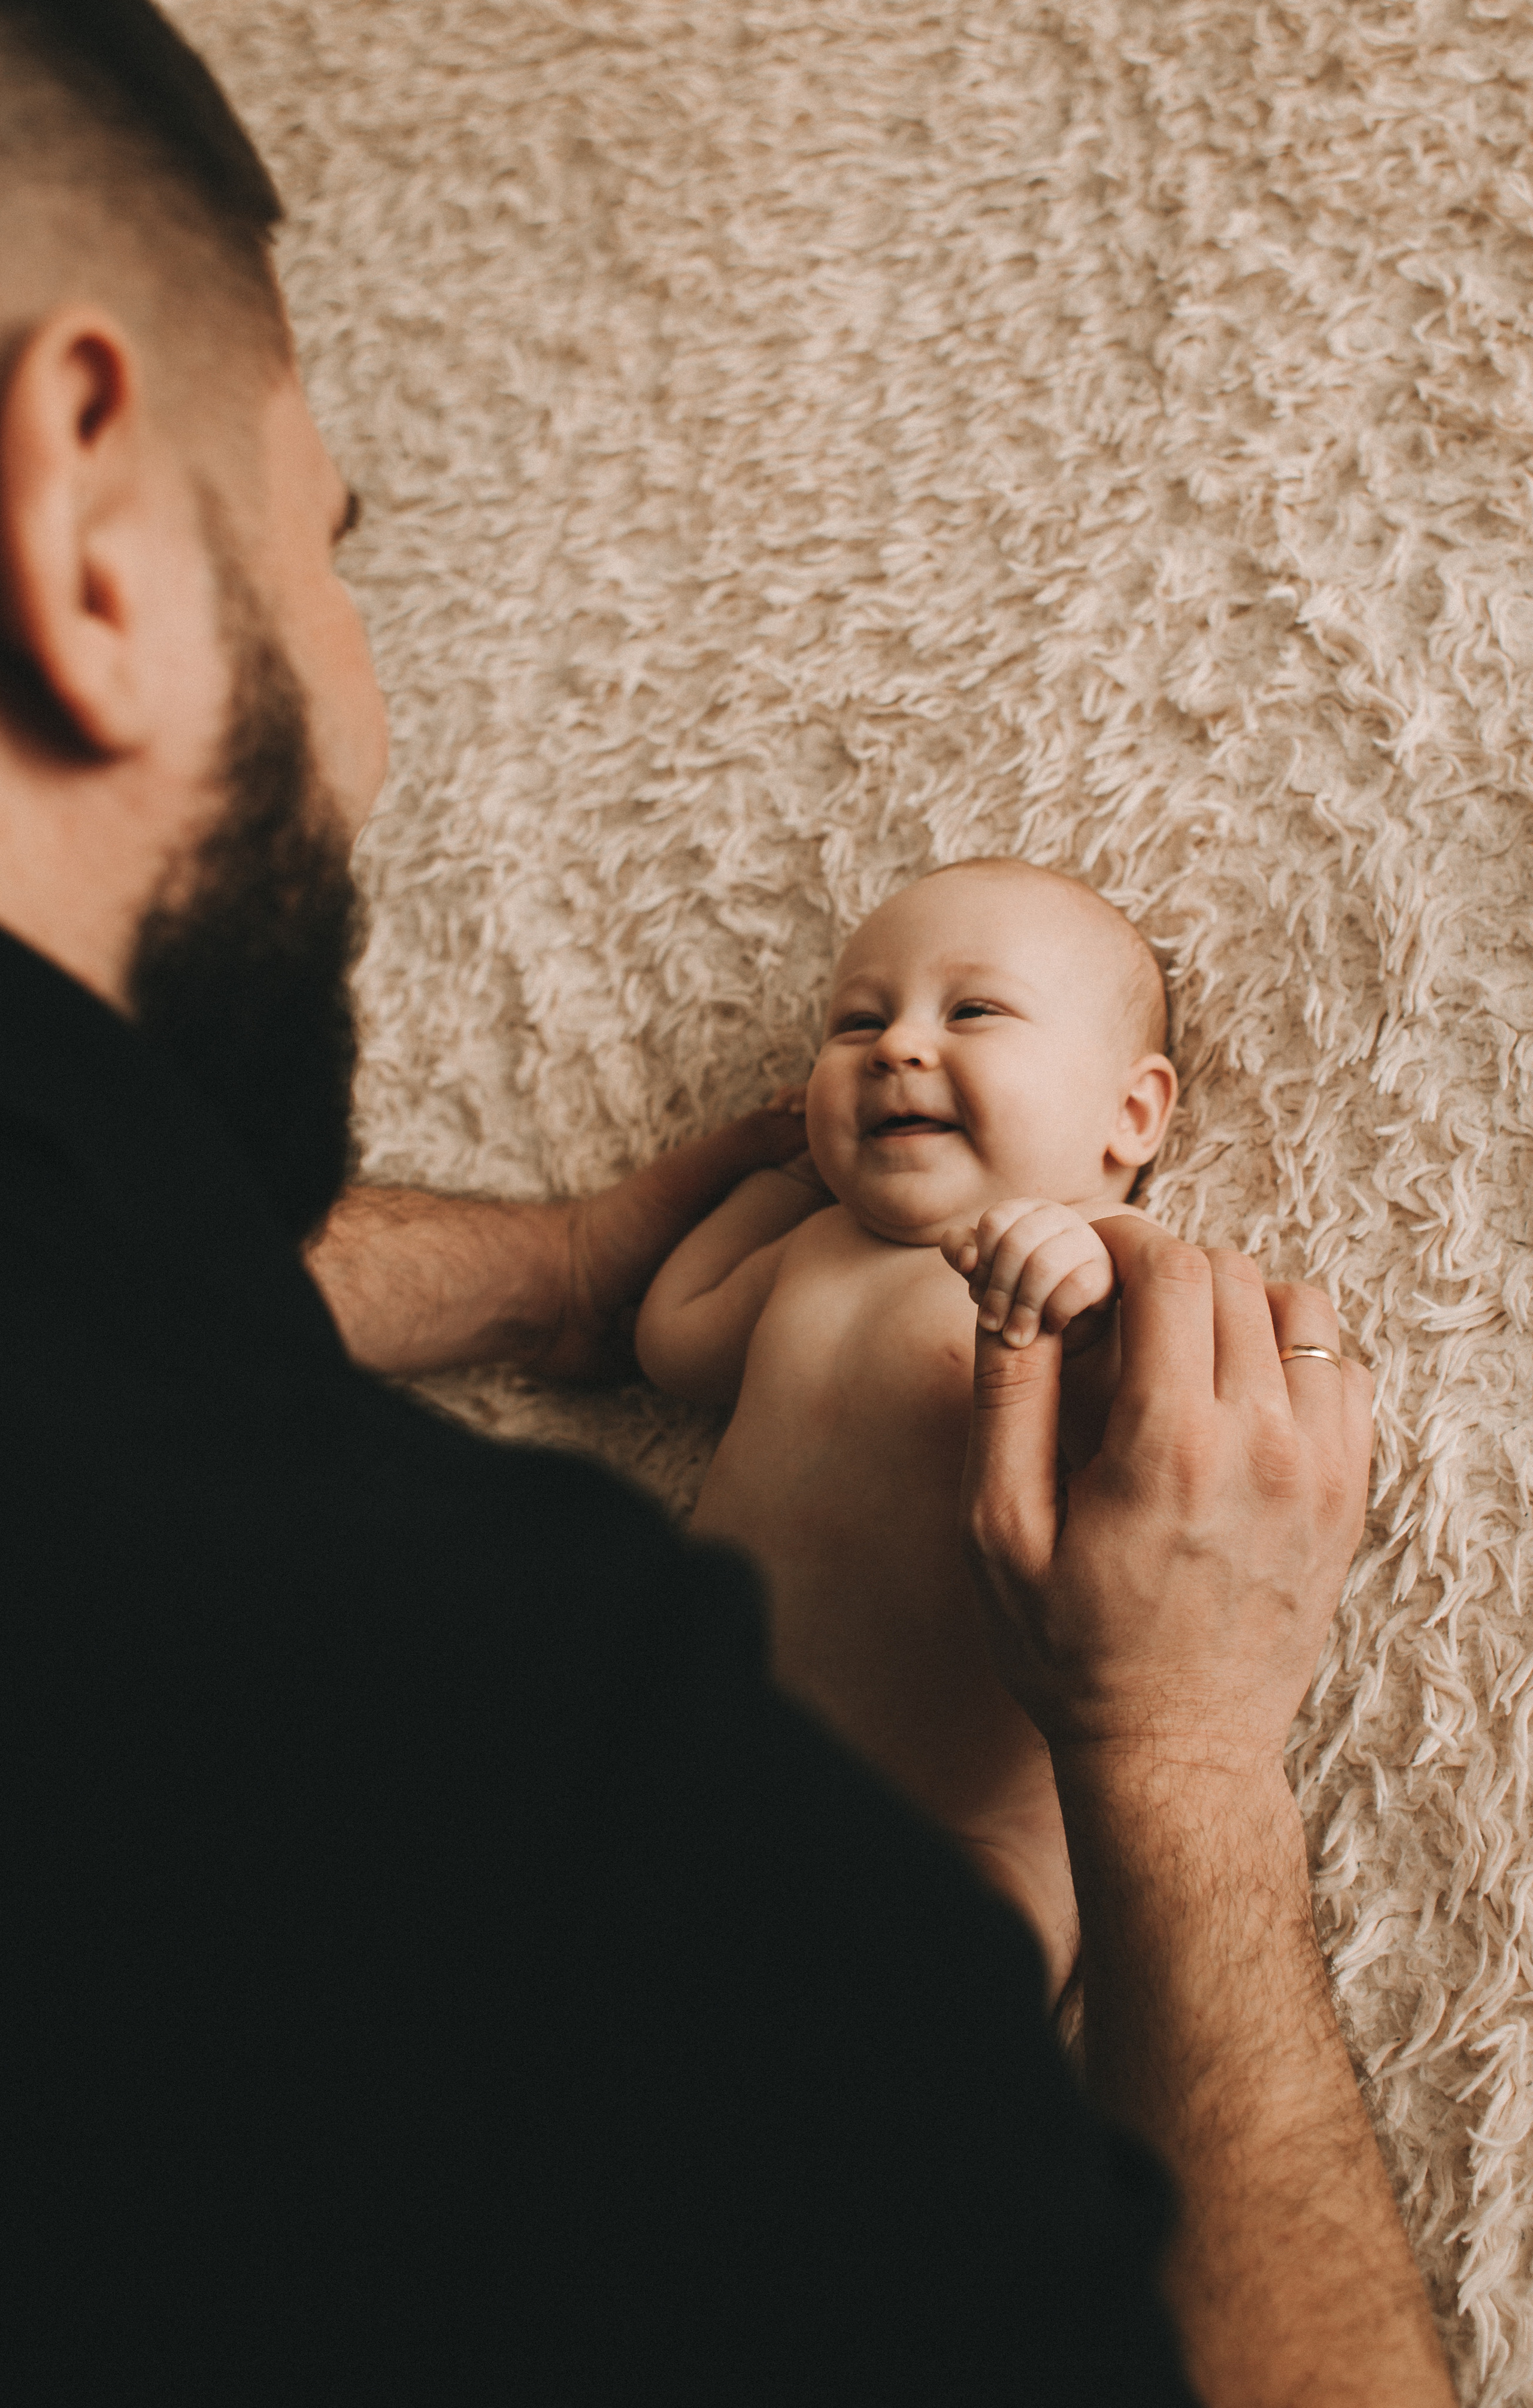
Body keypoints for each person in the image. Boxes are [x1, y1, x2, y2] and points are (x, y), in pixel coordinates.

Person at [0, 4, 1455, 2403]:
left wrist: (569, 1262)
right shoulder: (572, 1837)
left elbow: (159, 1284)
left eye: (978, 1025)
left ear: (1136, 1113)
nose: (369, 706)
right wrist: (1187, 1767)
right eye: (326, 555)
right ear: (84, 522)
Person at [635, 856, 1177, 2005]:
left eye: (971, 1010)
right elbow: (673, 1340)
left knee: (974, 1957)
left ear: (1130, 1114)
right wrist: (777, 1186)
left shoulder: (1087, 1257)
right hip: (716, 1756)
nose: (896, 1047)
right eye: (857, 1022)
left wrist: (1084, 1300)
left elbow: (1152, 1448)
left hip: (961, 1812)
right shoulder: (815, 1249)